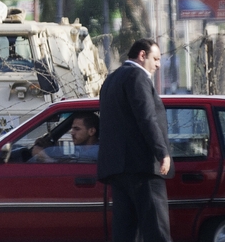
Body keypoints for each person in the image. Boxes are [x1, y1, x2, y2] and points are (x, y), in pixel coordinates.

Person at [98, 39, 174, 242]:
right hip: (141, 168)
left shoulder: (111, 79)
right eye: (155, 59)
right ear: (142, 55)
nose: (158, 65)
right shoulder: (137, 76)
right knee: (157, 231)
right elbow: (147, 118)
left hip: (118, 170)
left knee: (126, 233)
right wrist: (162, 152)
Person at [31, 112, 99, 162]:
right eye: (72, 129)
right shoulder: (83, 148)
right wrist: (51, 148)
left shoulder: (95, 152)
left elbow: (72, 170)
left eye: (77, 129)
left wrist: (43, 157)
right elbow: (69, 160)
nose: (72, 133)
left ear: (91, 131)